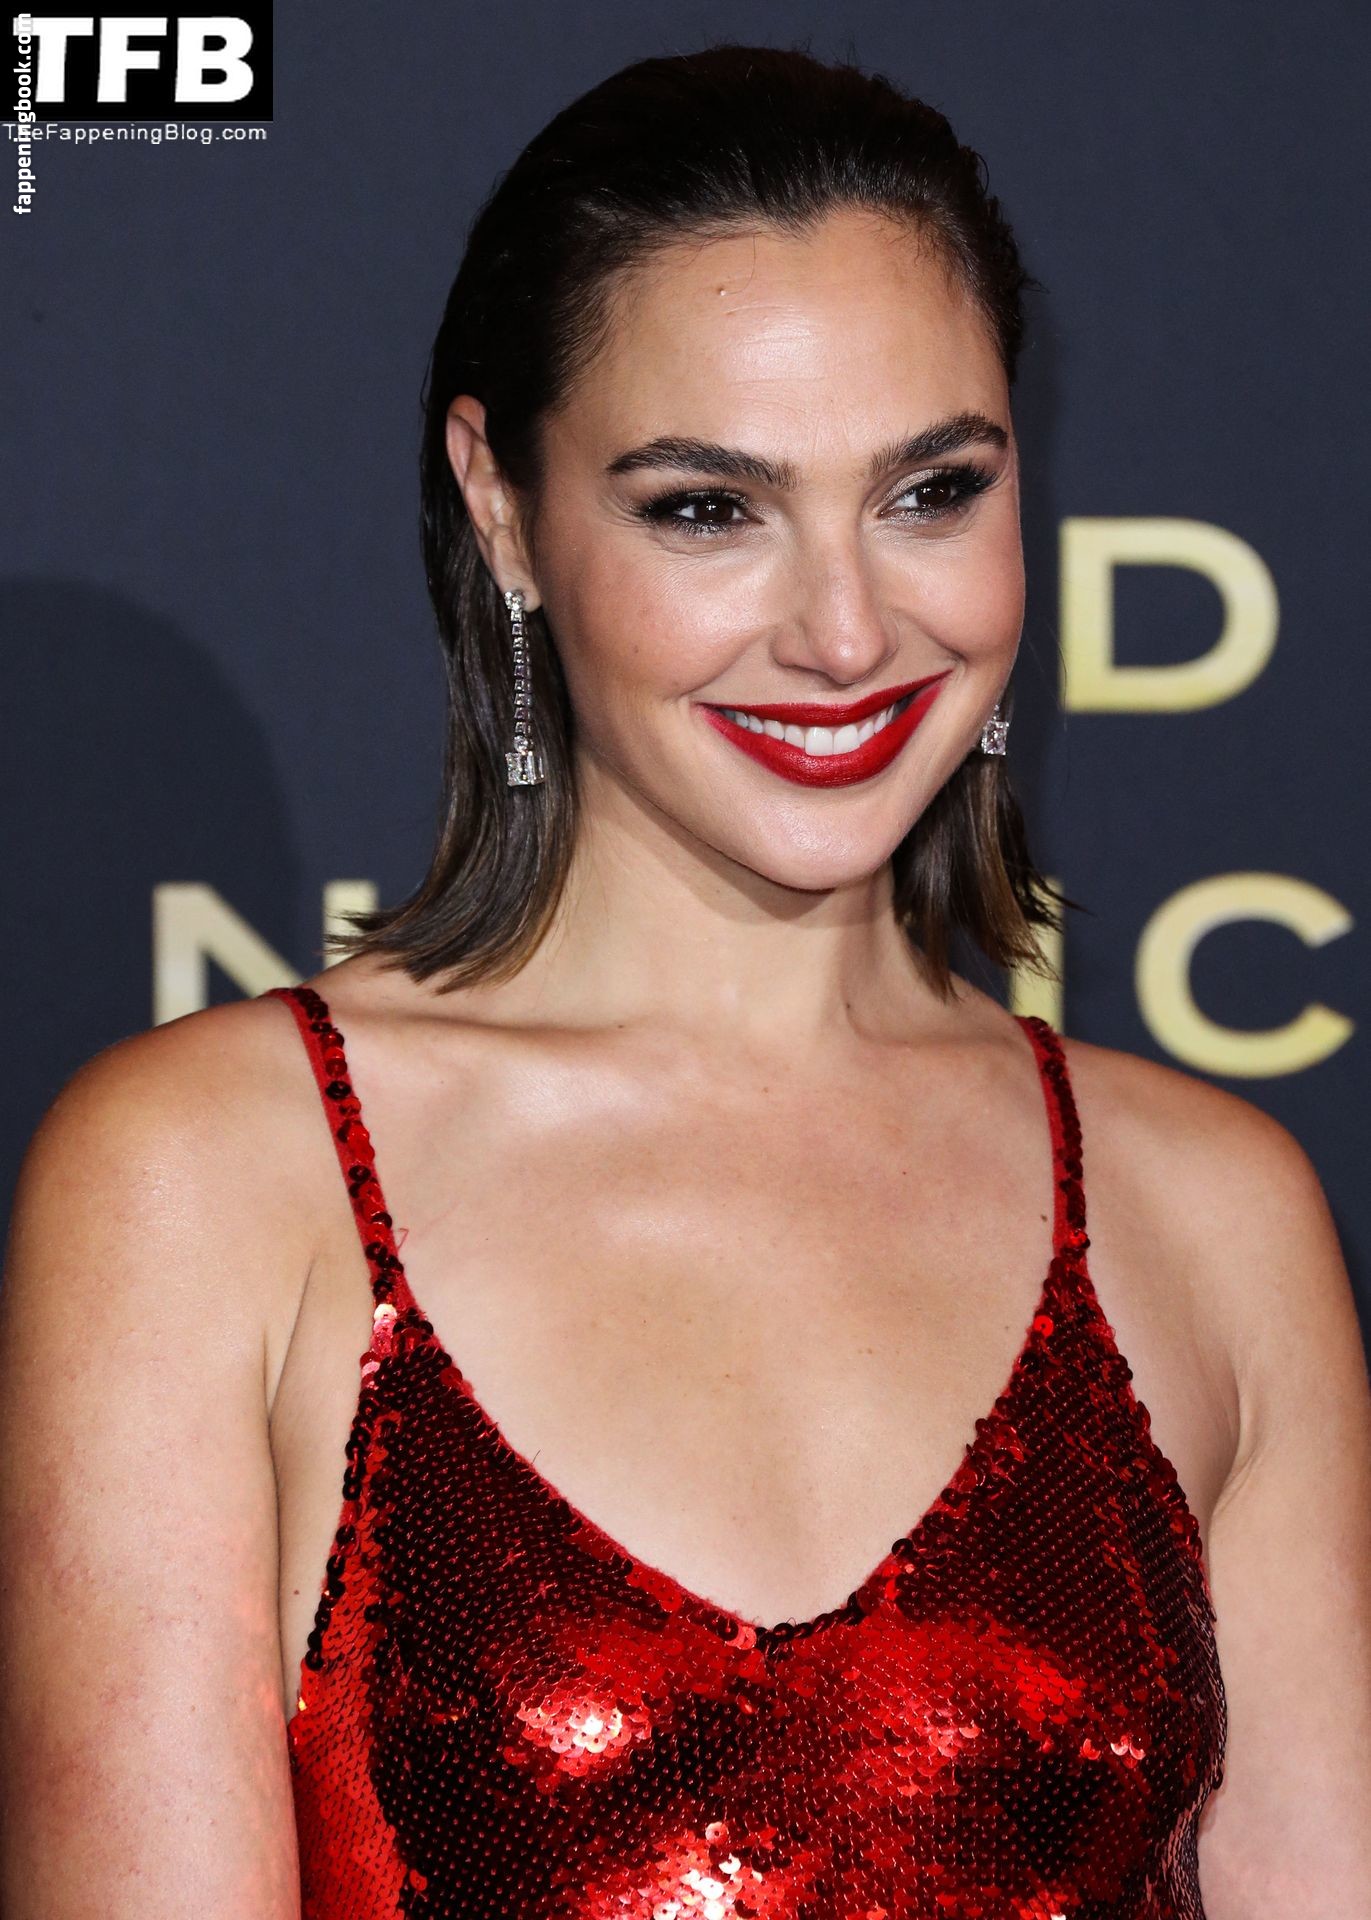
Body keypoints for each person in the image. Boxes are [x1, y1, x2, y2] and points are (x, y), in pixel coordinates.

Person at [2, 41, 1368, 1920]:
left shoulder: (1211, 1213)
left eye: (932, 491)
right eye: (708, 508)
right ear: (502, 509)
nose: (847, 633)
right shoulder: (211, 1182)